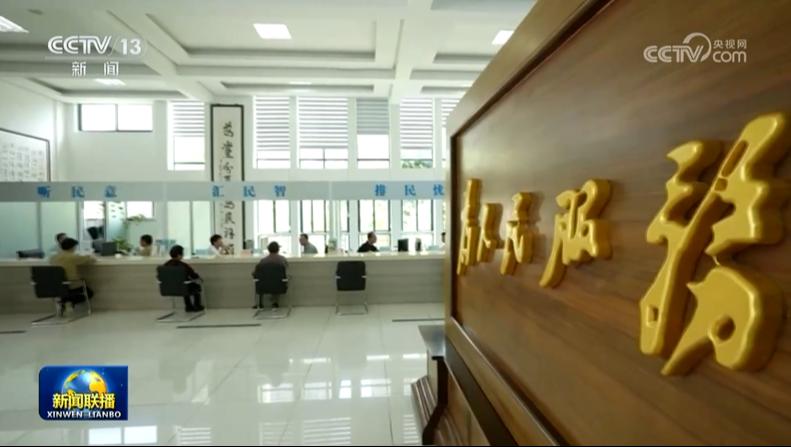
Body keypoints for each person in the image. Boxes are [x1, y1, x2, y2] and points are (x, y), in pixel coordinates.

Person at [49, 237, 95, 312]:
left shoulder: (53, 258)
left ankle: (64, 300)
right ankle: (69, 301)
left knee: (66, 291)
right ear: (72, 247)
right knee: (89, 293)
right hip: (71, 285)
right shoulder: (72, 257)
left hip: (56, 286)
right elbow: (91, 260)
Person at [163, 245, 204, 312]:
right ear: (179, 255)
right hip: (183, 288)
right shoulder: (183, 266)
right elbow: (193, 275)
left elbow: (159, 277)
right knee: (194, 286)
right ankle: (197, 305)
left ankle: (188, 306)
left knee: (184, 284)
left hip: (168, 289)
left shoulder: (165, 265)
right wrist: (199, 278)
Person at [252, 241, 288, 309]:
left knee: (260, 280)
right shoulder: (282, 259)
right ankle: (275, 302)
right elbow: (285, 269)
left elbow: (254, 273)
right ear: (278, 249)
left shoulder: (263, 261)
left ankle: (260, 303)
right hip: (279, 286)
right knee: (277, 279)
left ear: (268, 250)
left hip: (263, 286)